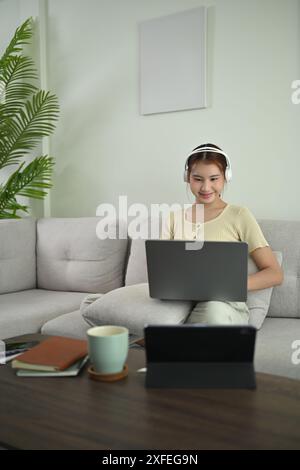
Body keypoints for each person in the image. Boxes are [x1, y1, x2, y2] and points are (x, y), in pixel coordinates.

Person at [160, 143, 283, 325]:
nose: (206, 187)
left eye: (214, 179)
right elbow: (162, 272)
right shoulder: (173, 218)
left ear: (226, 177)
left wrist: (229, 285)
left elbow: (274, 273)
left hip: (222, 306)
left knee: (212, 313)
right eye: (198, 179)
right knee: (153, 314)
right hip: (180, 304)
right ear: (187, 177)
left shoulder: (239, 215)